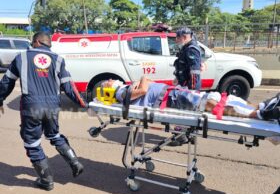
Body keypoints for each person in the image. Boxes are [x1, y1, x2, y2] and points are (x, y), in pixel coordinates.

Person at [0, 32, 88, 191]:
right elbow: (69, 87)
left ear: (37, 42)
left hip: (31, 103)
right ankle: (74, 162)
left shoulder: (22, 57)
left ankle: (46, 180)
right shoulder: (58, 60)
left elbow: (7, 82)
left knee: (31, 141)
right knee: (54, 134)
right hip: (53, 105)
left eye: (33, 43)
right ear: (48, 44)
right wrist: (84, 104)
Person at [101, 77, 280, 121]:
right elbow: (144, 89)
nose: (111, 79)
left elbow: (144, 87)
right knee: (210, 104)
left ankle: (261, 107)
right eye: (108, 81)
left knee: (219, 98)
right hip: (171, 99)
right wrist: (142, 79)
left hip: (173, 93)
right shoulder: (121, 93)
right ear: (108, 88)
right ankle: (255, 115)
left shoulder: (125, 88)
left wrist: (141, 82)